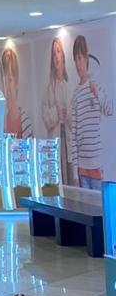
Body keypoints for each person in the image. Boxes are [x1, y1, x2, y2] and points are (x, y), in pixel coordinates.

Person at [69, 34, 113, 190]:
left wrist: (97, 94)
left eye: (81, 58)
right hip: (82, 168)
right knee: (85, 204)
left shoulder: (96, 85)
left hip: (96, 163)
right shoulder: (75, 95)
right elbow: (73, 136)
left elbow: (109, 110)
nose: (78, 64)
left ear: (86, 58)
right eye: (76, 59)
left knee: (99, 203)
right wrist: (75, 174)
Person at [40, 37, 71, 176]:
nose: (56, 56)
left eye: (58, 52)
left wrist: (67, 115)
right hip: (55, 139)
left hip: (69, 141)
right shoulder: (48, 88)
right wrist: (56, 113)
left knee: (70, 175)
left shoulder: (69, 85)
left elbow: (75, 116)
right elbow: (45, 115)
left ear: (63, 55)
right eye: (53, 54)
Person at [0, 45, 32, 139]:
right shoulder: (2, 122)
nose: (7, 89)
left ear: (16, 83)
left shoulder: (25, 122)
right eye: (4, 82)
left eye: (10, 80)